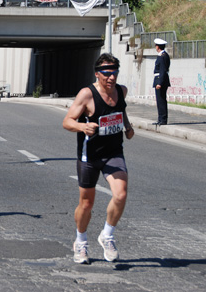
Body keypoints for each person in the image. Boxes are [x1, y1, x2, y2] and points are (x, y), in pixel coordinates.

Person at [62, 53, 134, 264]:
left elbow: (121, 110)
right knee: (86, 203)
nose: (111, 77)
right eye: (107, 73)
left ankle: (107, 235)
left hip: (113, 153)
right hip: (89, 156)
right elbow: (67, 121)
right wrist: (82, 126)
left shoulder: (121, 91)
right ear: (97, 73)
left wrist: (127, 127)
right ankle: (81, 241)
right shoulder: (87, 94)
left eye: (115, 73)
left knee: (120, 195)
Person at [153, 38, 170, 125]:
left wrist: (159, 83)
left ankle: (163, 119)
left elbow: (163, 70)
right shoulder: (162, 55)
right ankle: (160, 119)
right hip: (159, 79)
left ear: (158, 47)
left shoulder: (163, 56)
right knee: (159, 100)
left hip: (161, 80)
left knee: (161, 100)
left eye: (156, 45)